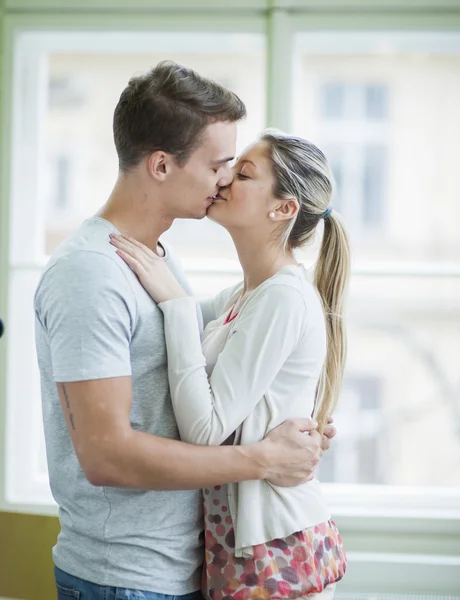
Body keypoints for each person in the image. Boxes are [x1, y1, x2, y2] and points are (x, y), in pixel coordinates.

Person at [34, 61, 336, 600]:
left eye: (237, 170)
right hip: (124, 579)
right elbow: (106, 455)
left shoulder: (155, 261)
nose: (224, 179)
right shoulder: (91, 273)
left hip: (186, 567)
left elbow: (231, 361)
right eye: (221, 164)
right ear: (160, 166)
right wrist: (263, 458)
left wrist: (292, 423)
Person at [110, 128, 350, 599]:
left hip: (274, 549)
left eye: (242, 174)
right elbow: (171, 329)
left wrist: (177, 303)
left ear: (282, 209)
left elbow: (206, 429)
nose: (222, 181)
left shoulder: (283, 297)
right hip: (238, 545)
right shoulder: (248, 295)